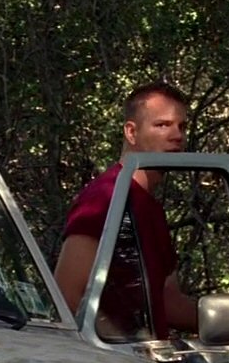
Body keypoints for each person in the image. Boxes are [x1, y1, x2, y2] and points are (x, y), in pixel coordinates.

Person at [53, 81, 198, 340]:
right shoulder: (106, 196)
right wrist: (124, 348)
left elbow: (167, 302)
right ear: (131, 132)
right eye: (162, 125)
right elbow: (68, 294)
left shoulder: (150, 208)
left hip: (151, 359)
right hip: (114, 361)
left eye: (182, 126)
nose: (177, 135)